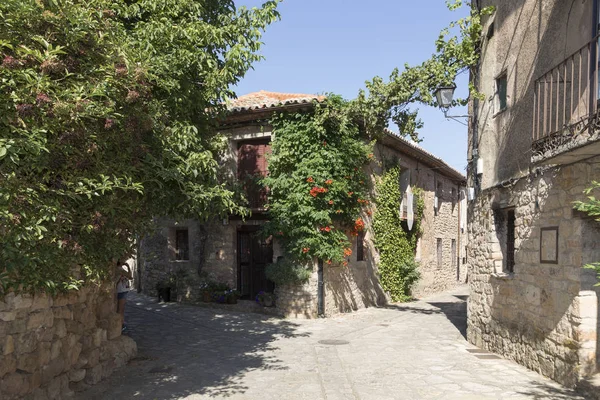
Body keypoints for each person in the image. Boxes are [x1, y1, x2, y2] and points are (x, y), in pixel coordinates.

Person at [116, 262, 133, 332]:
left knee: (122, 309)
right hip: (121, 291)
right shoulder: (119, 269)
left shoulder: (121, 269)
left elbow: (130, 277)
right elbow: (130, 276)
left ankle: (121, 324)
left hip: (124, 291)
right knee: (121, 309)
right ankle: (120, 325)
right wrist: (128, 266)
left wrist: (128, 266)